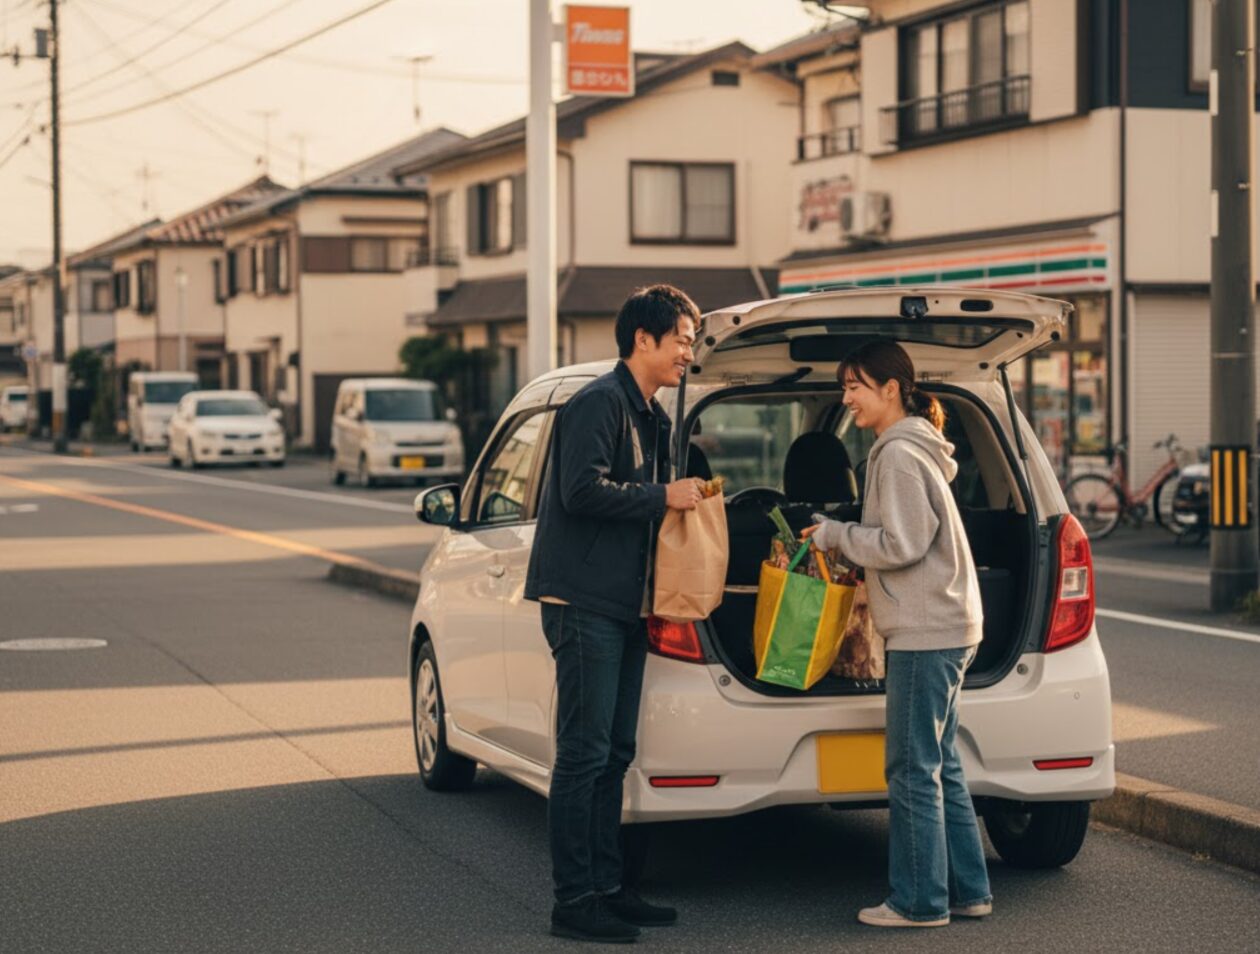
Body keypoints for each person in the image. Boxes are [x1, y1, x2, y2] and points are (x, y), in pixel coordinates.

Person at [524, 284, 703, 943]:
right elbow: (581, 489)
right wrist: (665, 495)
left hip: (625, 603)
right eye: (682, 339)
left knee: (616, 751)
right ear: (643, 340)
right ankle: (575, 901)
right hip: (582, 602)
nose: (689, 350)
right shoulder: (597, 403)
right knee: (583, 753)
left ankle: (610, 886)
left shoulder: (651, 414)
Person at [803, 338, 992, 929]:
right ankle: (968, 889)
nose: (847, 398)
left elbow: (902, 545)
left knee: (910, 768)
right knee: (942, 762)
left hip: (925, 627)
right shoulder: (915, 448)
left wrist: (835, 535)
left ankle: (918, 902)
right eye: (844, 388)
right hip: (951, 621)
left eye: (855, 386)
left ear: (891, 389)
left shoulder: (897, 455)